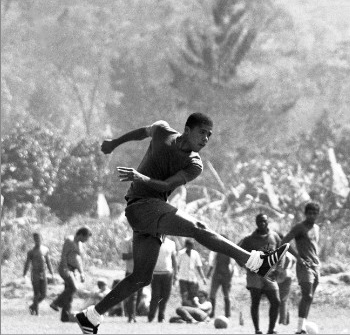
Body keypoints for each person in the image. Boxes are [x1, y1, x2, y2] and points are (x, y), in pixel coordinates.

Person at [76, 113, 289, 334]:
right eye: (202, 132)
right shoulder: (162, 131)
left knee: (141, 277)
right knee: (199, 229)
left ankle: (91, 316)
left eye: (209, 135)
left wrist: (141, 177)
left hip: (153, 209)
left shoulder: (194, 164)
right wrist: (114, 143)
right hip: (141, 206)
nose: (206, 139)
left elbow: (165, 185)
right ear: (187, 130)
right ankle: (252, 261)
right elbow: (143, 132)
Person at [281, 201, 321, 334]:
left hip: (316, 265)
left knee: (310, 297)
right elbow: (284, 242)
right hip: (304, 265)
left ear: (317, 215)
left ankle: (303, 326)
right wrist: (298, 257)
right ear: (305, 214)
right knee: (307, 294)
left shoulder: (316, 228)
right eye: (309, 213)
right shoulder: (300, 227)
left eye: (314, 213)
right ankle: (299, 328)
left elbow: (313, 247)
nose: (312, 216)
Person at [239, 214, 282, 334]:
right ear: (256, 223)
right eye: (259, 222)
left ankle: (271, 329)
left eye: (264, 221)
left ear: (267, 222)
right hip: (255, 275)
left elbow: (281, 253)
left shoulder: (274, 236)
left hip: (270, 274)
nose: (262, 223)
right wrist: (246, 266)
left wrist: (278, 269)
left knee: (276, 301)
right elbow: (237, 253)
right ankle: (257, 329)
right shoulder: (249, 239)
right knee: (255, 301)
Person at [51, 226, 92, 322]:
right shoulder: (69, 241)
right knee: (74, 288)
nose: (86, 240)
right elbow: (64, 255)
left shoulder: (80, 244)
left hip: (73, 270)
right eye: (85, 238)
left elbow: (78, 260)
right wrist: (65, 268)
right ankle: (55, 303)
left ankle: (65, 316)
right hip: (66, 268)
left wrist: (82, 272)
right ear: (81, 234)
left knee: (69, 293)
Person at [23, 232, 54, 315]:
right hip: (35, 273)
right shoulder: (31, 252)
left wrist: (51, 272)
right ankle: (36, 312)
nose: (37, 240)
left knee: (44, 295)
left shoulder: (45, 249)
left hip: (43, 273)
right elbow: (27, 263)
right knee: (37, 294)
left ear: (41, 239)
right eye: (36, 239)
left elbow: (48, 261)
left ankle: (32, 306)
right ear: (34, 240)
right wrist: (25, 273)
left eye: (39, 238)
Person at [148, 236, 176, 323]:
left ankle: (161, 317)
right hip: (155, 273)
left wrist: (176, 273)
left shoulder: (171, 243)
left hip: (167, 273)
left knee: (165, 296)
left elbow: (174, 259)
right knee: (155, 296)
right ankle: (151, 316)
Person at [206, 236, 235, 319]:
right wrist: (209, 273)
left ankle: (227, 313)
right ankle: (212, 312)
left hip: (226, 275)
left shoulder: (229, 251)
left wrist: (230, 278)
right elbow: (213, 263)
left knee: (226, 295)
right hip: (216, 274)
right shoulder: (216, 250)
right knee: (212, 294)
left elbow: (232, 266)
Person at [175, 239, 207, 306]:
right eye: (189, 245)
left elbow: (199, 267)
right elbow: (177, 266)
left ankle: (192, 311)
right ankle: (184, 309)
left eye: (192, 245)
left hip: (192, 279)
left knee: (193, 296)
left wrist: (203, 278)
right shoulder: (181, 253)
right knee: (184, 295)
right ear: (186, 245)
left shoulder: (195, 254)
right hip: (183, 278)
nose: (191, 247)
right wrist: (175, 276)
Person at [120, 235, 143, 323]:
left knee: (139, 296)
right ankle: (131, 316)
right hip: (131, 272)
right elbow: (124, 256)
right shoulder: (127, 241)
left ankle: (133, 315)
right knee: (133, 295)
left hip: (142, 272)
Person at [276, 250, 296, 326]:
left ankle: (282, 321)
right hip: (289, 275)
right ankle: (286, 319)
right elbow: (294, 260)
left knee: (282, 299)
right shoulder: (289, 253)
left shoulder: (281, 253)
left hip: (282, 276)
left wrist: (280, 269)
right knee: (284, 299)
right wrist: (289, 268)